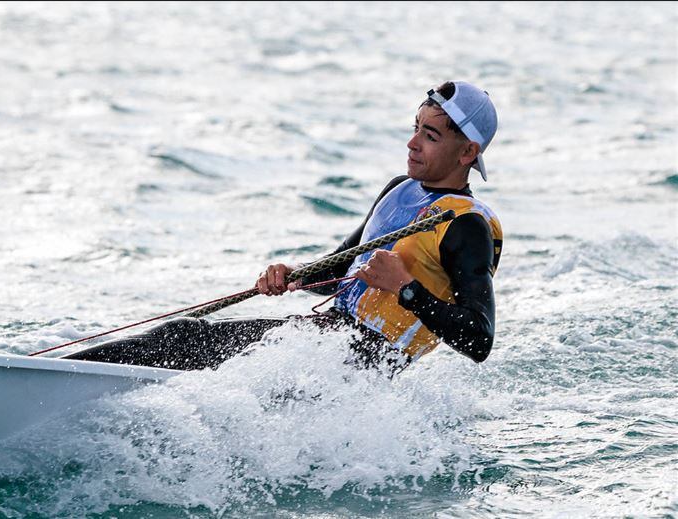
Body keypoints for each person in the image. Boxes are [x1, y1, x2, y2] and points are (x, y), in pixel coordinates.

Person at [64, 81, 503, 374]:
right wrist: (291, 276)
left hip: (357, 368)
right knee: (181, 340)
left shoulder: (465, 227)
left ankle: (55, 377)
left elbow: (478, 340)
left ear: (467, 152)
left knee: (183, 341)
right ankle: (61, 368)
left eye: (430, 135)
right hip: (322, 342)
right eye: (415, 128)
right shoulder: (399, 189)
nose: (412, 142)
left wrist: (406, 287)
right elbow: (338, 268)